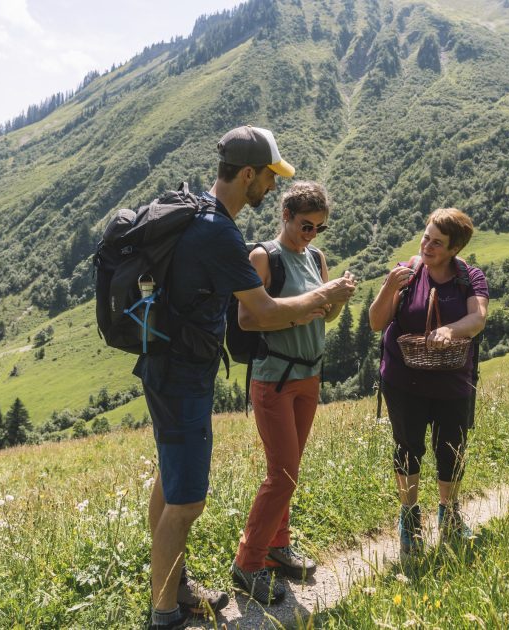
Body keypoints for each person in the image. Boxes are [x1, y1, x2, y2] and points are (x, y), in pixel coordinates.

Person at [136, 126, 356, 630]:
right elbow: (262, 313)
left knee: (170, 482)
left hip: (167, 363)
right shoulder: (220, 231)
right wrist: (325, 297)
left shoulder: (200, 213)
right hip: (183, 374)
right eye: (270, 178)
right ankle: (165, 613)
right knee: (187, 501)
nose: (273, 187)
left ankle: (175, 584)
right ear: (249, 174)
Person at [231, 181, 348, 604]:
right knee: (281, 473)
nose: (311, 234)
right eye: (305, 225)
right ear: (285, 216)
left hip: (308, 376)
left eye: (319, 227)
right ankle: (248, 563)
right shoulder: (264, 257)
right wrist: (312, 306)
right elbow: (248, 319)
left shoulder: (316, 258)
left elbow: (325, 316)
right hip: (274, 379)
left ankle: (278, 546)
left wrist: (338, 297)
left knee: (290, 471)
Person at [368, 208, 488, 559]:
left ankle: (449, 514)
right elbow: (376, 322)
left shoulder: (469, 277)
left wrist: (450, 330)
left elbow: (478, 318)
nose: (427, 246)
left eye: (437, 243)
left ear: (454, 249)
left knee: (452, 448)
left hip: (453, 381)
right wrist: (389, 286)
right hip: (404, 379)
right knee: (407, 447)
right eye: (426, 237)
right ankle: (409, 517)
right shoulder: (408, 272)